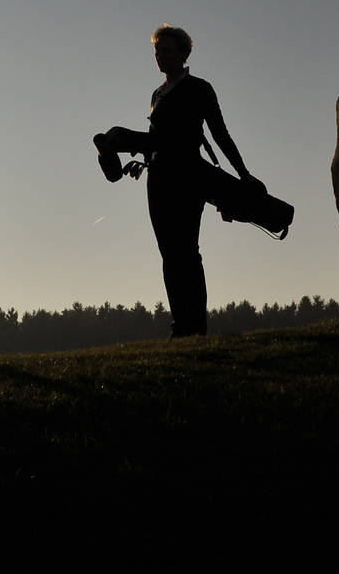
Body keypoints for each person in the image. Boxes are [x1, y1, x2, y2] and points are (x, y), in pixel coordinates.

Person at [103, 24, 252, 338]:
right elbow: (158, 139)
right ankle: (180, 327)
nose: (160, 57)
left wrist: (244, 175)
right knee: (169, 254)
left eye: (166, 51)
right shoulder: (156, 95)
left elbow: (220, 134)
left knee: (187, 252)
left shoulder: (200, 88)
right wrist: (141, 162)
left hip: (187, 175)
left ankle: (195, 326)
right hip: (157, 179)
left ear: (183, 54)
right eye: (157, 52)